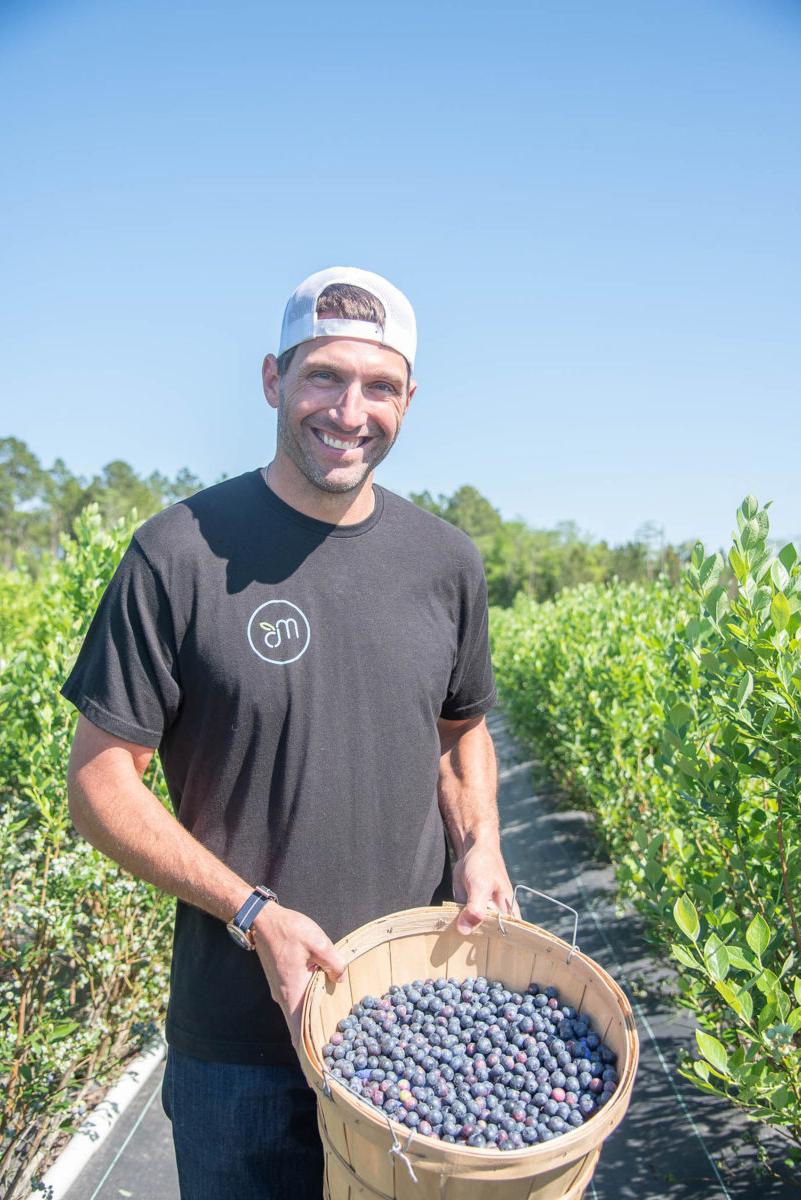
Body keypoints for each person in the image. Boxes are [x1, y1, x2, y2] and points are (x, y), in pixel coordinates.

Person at [61, 266, 514, 1199]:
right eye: (324, 377)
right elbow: (101, 783)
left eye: (379, 386)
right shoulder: (178, 551)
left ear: (409, 399)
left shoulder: (445, 562)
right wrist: (251, 912)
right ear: (273, 379)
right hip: (241, 1046)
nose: (350, 411)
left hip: (416, 1020)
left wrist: (482, 843)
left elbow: (459, 731)